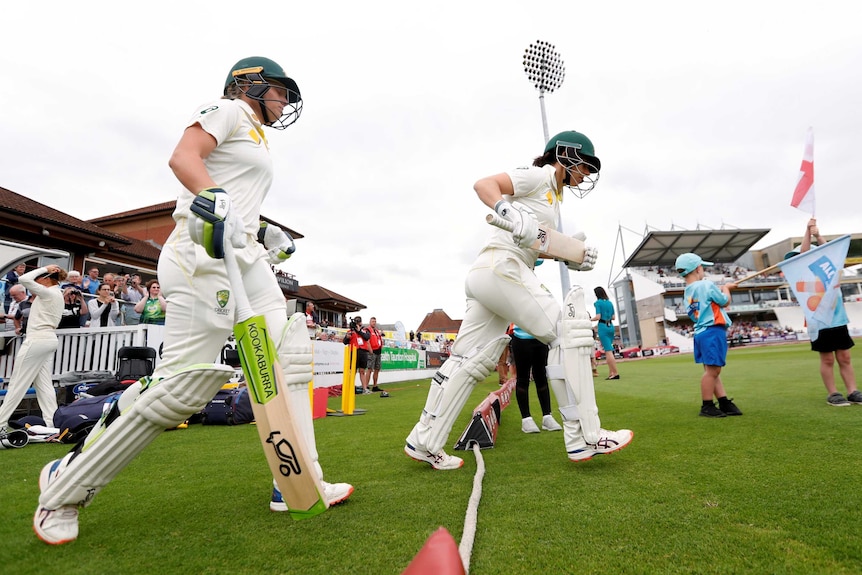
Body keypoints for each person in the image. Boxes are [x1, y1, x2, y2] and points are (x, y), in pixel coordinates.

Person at [33, 56, 352, 545]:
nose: (285, 100)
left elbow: (236, 200)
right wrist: (212, 194)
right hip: (200, 256)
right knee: (183, 390)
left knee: (290, 356)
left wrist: (263, 228)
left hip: (245, 258)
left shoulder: (259, 137)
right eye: (280, 90)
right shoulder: (227, 111)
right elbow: (184, 159)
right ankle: (66, 482)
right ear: (248, 85)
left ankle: (296, 481)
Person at [404, 130, 633, 470]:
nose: (585, 174)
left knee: (469, 361)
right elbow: (484, 185)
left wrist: (571, 254)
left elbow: (534, 240)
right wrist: (506, 210)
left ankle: (425, 441)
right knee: (567, 334)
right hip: (502, 267)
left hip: (491, 272)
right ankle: (585, 437)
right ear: (566, 155)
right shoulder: (539, 175)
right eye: (585, 165)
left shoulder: (554, 199)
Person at [795, 218, 861, 407]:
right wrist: (807, 231)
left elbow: (834, 254)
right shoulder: (802, 275)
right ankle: (833, 393)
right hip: (818, 320)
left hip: (838, 317)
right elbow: (804, 254)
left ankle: (853, 391)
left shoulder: (829, 270)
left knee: (845, 356)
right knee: (827, 358)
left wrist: (818, 235)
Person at [674, 252, 743, 418]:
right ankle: (707, 405)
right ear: (698, 268)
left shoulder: (688, 291)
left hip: (701, 332)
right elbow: (724, 301)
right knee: (713, 371)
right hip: (712, 330)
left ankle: (724, 401)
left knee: (712, 370)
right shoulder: (705, 285)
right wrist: (726, 288)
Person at [0, 265, 66, 433]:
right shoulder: (56, 293)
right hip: (47, 339)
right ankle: (52, 425)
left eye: (39, 279)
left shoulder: (49, 292)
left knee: (17, 383)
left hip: (37, 340)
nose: (36, 282)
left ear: (46, 278)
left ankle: (0, 423)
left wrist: (45, 267)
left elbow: (23, 279)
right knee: (44, 386)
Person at [510, 325, 562, 433]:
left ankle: (547, 416)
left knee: (542, 377)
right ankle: (526, 419)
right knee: (523, 378)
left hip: (540, 337)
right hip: (520, 337)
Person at [591, 286, 620, 380]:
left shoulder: (597, 303)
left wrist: (589, 319)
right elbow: (613, 317)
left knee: (608, 351)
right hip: (610, 326)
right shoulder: (610, 303)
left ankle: (615, 373)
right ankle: (611, 372)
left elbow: (598, 316)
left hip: (603, 326)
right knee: (609, 349)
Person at [343, 316, 373, 393]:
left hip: (363, 352)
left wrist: (359, 331)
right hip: (354, 351)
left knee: (362, 370)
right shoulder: (350, 331)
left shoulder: (364, 330)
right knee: (353, 371)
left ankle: (364, 388)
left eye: (359, 322)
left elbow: (367, 337)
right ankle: (350, 388)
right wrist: (347, 337)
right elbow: (345, 342)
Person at [367, 316, 384, 392]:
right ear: (370, 322)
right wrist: (370, 350)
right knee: (370, 369)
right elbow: (367, 341)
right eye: (373, 321)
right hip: (372, 351)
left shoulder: (376, 331)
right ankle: (366, 386)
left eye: (375, 321)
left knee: (377, 369)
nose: (374, 323)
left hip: (378, 351)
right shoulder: (368, 330)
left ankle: (375, 385)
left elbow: (379, 339)